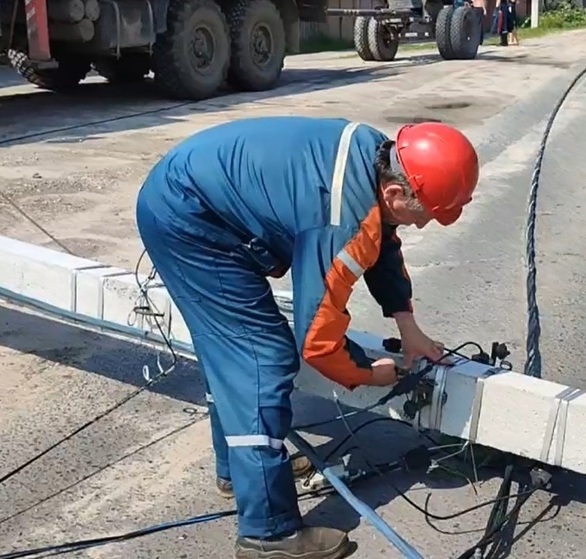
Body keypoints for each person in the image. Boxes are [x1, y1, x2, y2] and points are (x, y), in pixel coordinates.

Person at [135, 116, 480, 559]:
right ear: (395, 193)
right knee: (259, 358)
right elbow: (317, 339)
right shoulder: (338, 216)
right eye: (426, 215)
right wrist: (368, 374)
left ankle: (238, 472)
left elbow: (382, 238)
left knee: (235, 353)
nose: (423, 225)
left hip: (195, 196)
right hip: (188, 221)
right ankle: (267, 533)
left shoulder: (384, 159)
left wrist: (406, 324)